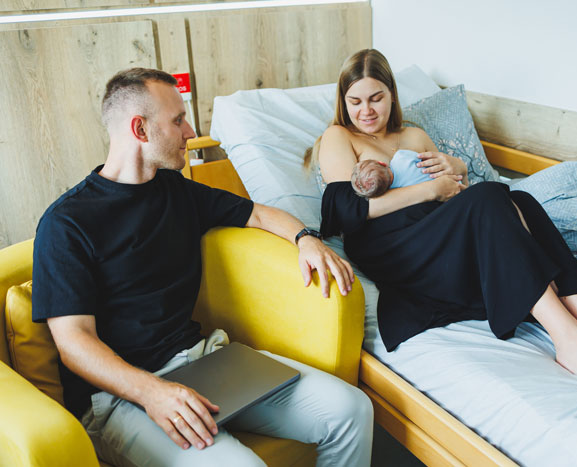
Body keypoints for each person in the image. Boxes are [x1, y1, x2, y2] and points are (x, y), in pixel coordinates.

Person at [32, 68, 373, 467]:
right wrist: (151, 393)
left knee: (352, 409)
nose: (191, 130)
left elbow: (259, 215)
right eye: (178, 120)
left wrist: (306, 239)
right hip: (120, 398)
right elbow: (74, 343)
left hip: (204, 362)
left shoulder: (176, 190)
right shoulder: (66, 223)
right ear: (140, 129)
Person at [307, 48, 577, 390]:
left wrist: (459, 171)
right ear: (344, 102)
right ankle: (568, 338)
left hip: (440, 236)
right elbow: (343, 211)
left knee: (521, 200)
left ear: (391, 94)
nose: (366, 111)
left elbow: (455, 194)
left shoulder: (414, 135)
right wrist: (430, 191)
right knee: (491, 197)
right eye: (355, 101)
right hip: (394, 247)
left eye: (376, 98)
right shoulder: (340, 136)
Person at [351, 149, 438, 198]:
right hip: (439, 175)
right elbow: (423, 158)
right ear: (382, 163)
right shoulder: (400, 157)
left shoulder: (398, 194)